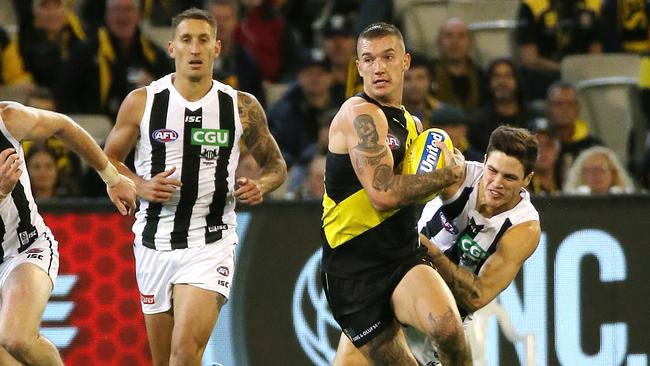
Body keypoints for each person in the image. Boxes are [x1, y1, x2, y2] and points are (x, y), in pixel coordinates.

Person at [103, 8, 287, 365]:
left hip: (211, 241)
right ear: (172, 48)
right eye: (186, 40)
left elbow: (276, 165)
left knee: (184, 352)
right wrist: (140, 185)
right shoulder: (142, 102)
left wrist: (261, 184)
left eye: (204, 40)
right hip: (154, 242)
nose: (195, 48)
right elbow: (108, 159)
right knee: (166, 361)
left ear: (217, 48)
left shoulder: (241, 106)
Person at [321, 22, 471, 365]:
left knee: (448, 329)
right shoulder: (358, 115)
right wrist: (448, 173)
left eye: (387, 57)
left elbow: (421, 199)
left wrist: (458, 181)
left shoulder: (414, 126)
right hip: (352, 273)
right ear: (358, 67)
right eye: (368, 59)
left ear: (405, 62)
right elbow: (384, 194)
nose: (378, 68)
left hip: (401, 258)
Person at [0, 101, 135, 365]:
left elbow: (63, 125)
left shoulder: (8, 119)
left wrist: (112, 178)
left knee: (17, 338)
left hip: (25, 248)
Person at [409, 125, 542, 365]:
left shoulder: (524, 229)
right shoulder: (456, 176)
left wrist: (426, 250)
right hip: (403, 291)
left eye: (510, 177)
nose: (497, 183)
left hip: (444, 327)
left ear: (527, 179)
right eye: (492, 170)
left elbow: (476, 296)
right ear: (484, 161)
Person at [544, 81, 602, 183]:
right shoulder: (538, 145)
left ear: (578, 108)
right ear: (548, 107)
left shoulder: (593, 146)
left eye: (570, 104)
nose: (564, 109)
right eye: (558, 104)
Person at [430, 18, 484, 114]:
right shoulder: (429, 74)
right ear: (439, 41)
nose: (455, 42)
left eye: (461, 36)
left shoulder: (482, 77)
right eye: (449, 35)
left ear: (470, 42)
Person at [562, 145, 636, 194]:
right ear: (581, 174)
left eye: (602, 169)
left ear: (613, 172)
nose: (596, 174)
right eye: (590, 170)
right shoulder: (573, 204)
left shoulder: (627, 202)